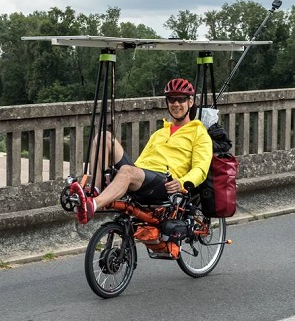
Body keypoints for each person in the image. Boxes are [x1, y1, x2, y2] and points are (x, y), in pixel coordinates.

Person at [69, 78, 213, 225]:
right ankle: (95, 190)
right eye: (171, 99)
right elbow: (141, 162)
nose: (176, 104)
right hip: (144, 177)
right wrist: (122, 178)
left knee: (126, 171)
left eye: (181, 99)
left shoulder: (199, 133)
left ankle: (92, 205)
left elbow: (200, 169)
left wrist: (181, 183)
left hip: (166, 183)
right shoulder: (160, 133)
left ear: (190, 102)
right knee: (104, 137)